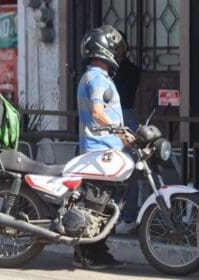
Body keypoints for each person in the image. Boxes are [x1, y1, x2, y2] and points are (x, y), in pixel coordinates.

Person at [74, 25, 134, 270]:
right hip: (99, 150)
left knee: (106, 203)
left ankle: (96, 248)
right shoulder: (96, 78)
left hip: (106, 150)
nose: (118, 54)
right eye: (115, 48)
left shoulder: (97, 76)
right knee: (97, 203)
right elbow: (98, 112)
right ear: (104, 48)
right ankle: (88, 251)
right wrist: (122, 131)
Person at [113, 31, 141, 234]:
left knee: (128, 167)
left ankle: (129, 216)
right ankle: (112, 214)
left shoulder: (130, 69)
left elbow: (123, 94)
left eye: (120, 46)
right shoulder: (104, 71)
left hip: (125, 115)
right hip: (110, 115)